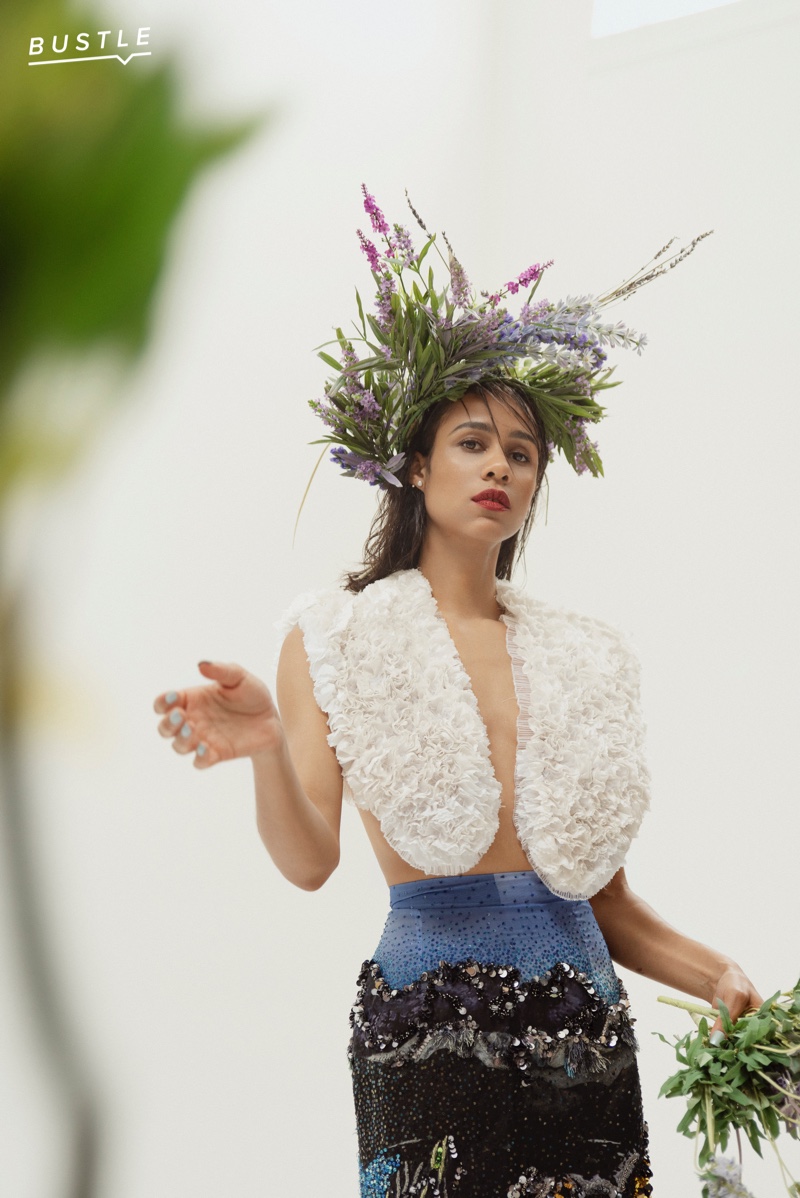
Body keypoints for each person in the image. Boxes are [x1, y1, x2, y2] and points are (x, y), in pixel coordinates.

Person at [152, 192, 760, 1197]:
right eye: (472, 441)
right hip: (424, 1029)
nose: (498, 467)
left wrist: (714, 974)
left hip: (581, 1029)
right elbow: (309, 861)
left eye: (519, 453)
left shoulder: (582, 657)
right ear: (415, 463)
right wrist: (263, 747)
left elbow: (600, 900)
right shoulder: (338, 637)